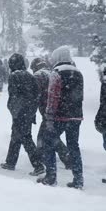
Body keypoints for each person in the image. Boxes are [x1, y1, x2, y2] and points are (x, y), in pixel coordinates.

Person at [38, 46, 84, 189]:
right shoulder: (78, 73)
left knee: (48, 144)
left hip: (59, 116)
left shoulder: (56, 73)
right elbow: (79, 96)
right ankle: (78, 179)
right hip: (76, 117)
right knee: (73, 146)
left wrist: (49, 116)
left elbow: (53, 96)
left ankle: (51, 177)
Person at [0, 53, 45, 176]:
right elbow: (37, 95)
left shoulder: (14, 76)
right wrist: (32, 111)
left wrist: (13, 110)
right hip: (28, 111)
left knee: (25, 137)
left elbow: (14, 96)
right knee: (16, 136)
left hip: (19, 112)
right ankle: (10, 162)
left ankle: (38, 165)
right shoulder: (30, 76)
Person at [31, 58, 71, 170]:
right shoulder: (52, 73)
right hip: (58, 110)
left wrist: (32, 111)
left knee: (46, 136)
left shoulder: (38, 76)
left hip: (47, 111)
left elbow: (35, 96)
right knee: (50, 135)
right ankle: (65, 157)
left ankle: (42, 158)